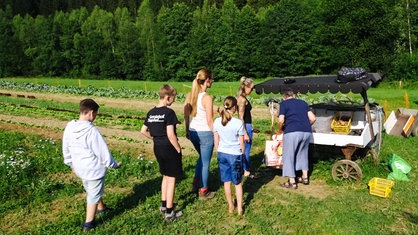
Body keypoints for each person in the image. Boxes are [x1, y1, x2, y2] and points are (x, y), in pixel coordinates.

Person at [62, 98, 122, 232]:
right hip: (93, 169)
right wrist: (113, 165)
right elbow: (102, 153)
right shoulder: (91, 131)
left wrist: (70, 162)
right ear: (91, 113)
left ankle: (101, 208)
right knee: (93, 195)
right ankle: (88, 224)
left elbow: (66, 146)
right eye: (95, 114)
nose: (95, 117)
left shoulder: (70, 126)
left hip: (79, 167)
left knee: (91, 188)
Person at [140, 84, 183, 222]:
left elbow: (143, 131)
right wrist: (178, 149)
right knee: (172, 179)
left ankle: (164, 205)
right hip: (169, 148)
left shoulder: (151, 112)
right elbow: (171, 135)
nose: (174, 101)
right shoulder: (169, 113)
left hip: (157, 147)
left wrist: (156, 138)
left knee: (165, 176)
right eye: (173, 98)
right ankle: (170, 212)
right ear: (168, 97)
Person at [184, 68, 216, 200]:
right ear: (207, 80)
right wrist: (217, 134)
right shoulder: (207, 97)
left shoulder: (190, 95)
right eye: (211, 79)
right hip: (206, 134)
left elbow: (186, 116)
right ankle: (203, 190)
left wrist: (186, 130)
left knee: (201, 158)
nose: (212, 81)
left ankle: (196, 182)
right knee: (205, 162)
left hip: (193, 133)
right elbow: (209, 120)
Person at [277, 87, 316, 189]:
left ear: (284, 97)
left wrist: (280, 130)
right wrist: (306, 125)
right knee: (303, 153)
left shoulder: (284, 104)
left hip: (292, 132)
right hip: (307, 132)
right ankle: (305, 177)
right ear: (293, 95)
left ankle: (292, 181)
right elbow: (313, 118)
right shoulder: (303, 103)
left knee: (288, 156)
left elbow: (281, 120)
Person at [214, 96, 245, 216]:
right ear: (234, 107)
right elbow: (242, 143)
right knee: (237, 183)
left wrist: (218, 150)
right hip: (235, 154)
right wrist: (242, 154)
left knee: (226, 181)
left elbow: (216, 140)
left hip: (222, 153)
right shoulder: (238, 123)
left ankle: (231, 206)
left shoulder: (217, 121)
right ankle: (240, 209)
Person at [237, 76, 258, 178]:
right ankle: (246, 170)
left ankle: (243, 168)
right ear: (246, 87)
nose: (252, 90)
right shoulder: (241, 99)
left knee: (244, 149)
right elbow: (241, 117)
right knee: (246, 149)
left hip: (247, 126)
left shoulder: (242, 98)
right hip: (245, 126)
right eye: (251, 88)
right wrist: (245, 132)